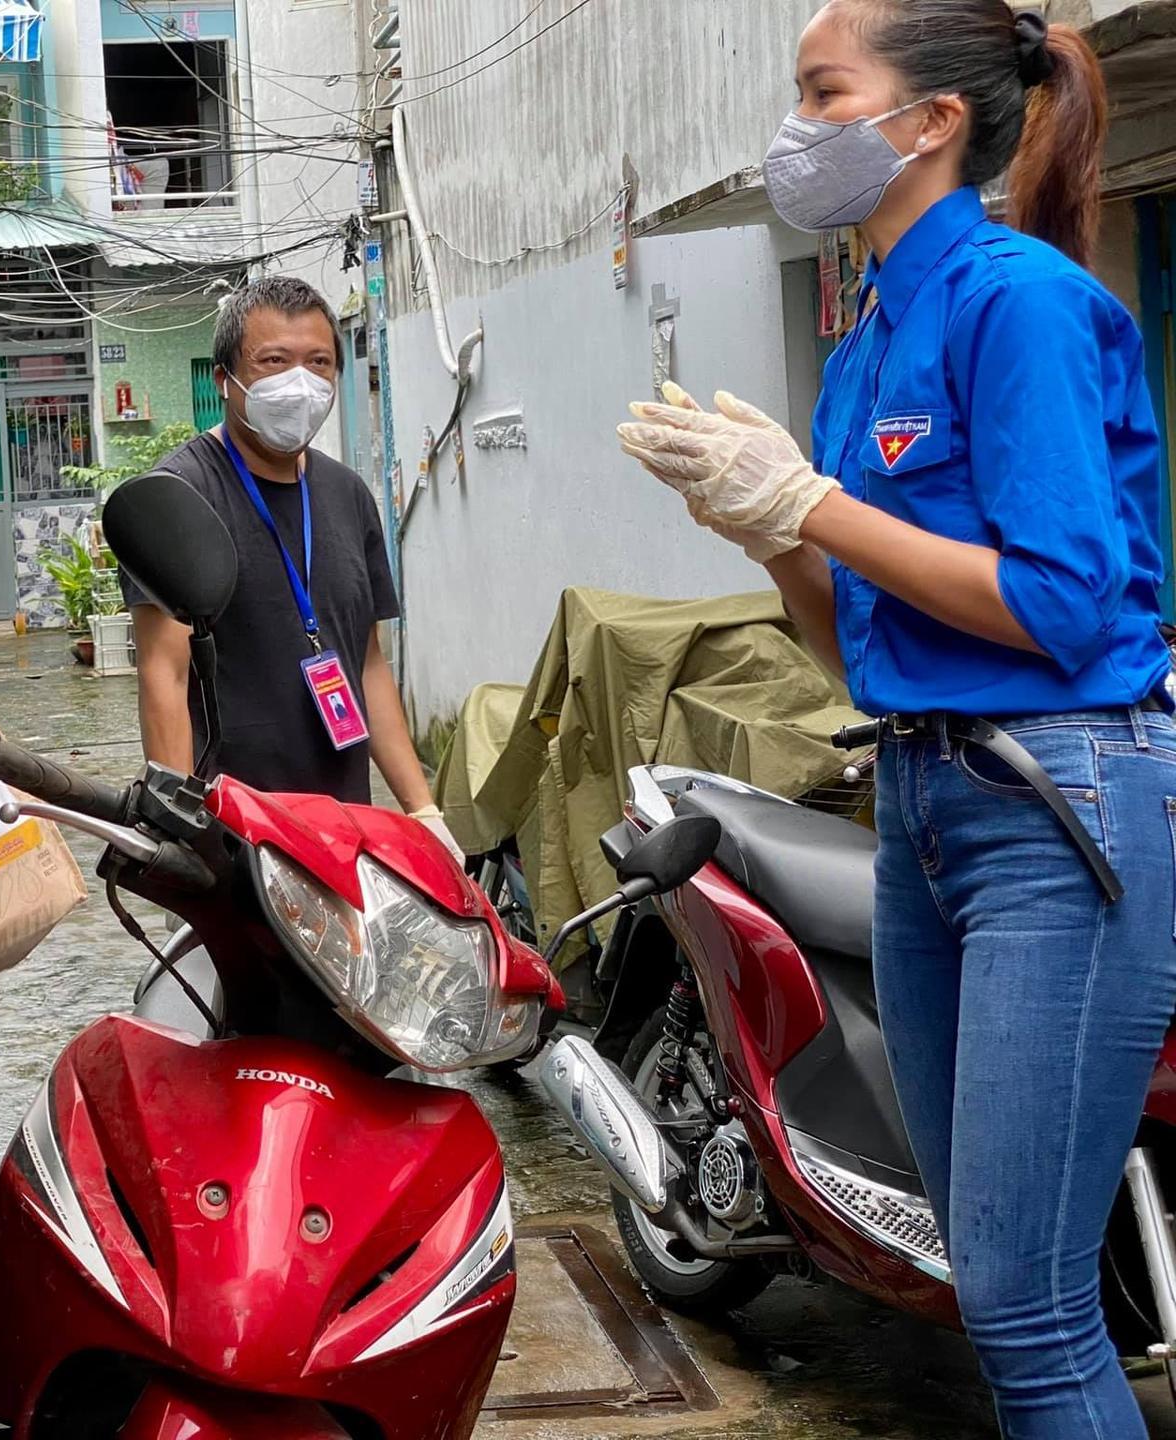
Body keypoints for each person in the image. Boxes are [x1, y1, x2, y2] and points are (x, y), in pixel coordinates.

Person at [617, 5, 1172, 1435]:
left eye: (823, 91)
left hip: (1061, 803)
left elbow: (1056, 604)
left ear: (927, 123)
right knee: (982, 1285)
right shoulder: (870, 340)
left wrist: (817, 502)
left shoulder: (1018, 302)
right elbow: (861, 660)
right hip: (925, 801)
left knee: (1032, 1305)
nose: (795, 126)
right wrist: (769, 533)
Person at [125, 276, 458, 851]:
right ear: (223, 379)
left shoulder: (348, 496)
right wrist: (178, 831)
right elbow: (164, 673)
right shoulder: (176, 499)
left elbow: (368, 663)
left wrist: (422, 809)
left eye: (318, 362)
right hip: (231, 834)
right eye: (273, 361)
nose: (298, 382)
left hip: (343, 830)